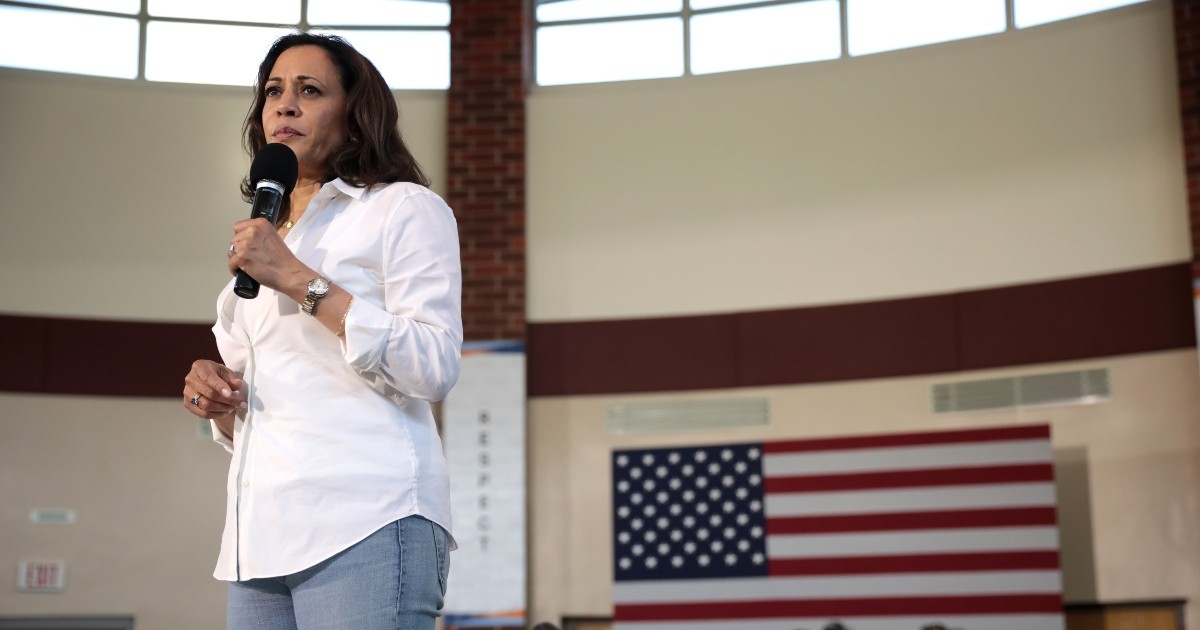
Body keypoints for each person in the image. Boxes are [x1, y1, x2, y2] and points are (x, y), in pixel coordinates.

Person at [181, 32, 461, 630]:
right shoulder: (265, 236)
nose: (284, 105)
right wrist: (219, 398)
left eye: (309, 90)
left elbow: (434, 365)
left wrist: (301, 281)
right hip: (257, 538)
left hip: (366, 518)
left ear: (356, 118)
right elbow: (264, 402)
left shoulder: (401, 210)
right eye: (274, 91)